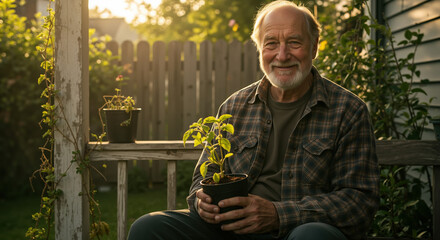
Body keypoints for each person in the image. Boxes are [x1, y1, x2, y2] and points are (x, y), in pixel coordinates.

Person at [127, 1, 379, 239]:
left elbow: (359, 201)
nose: (282, 55)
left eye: (294, 42)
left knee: (312, 236)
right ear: (259, 49)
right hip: (230, 229)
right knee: (149, 227)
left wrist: (278, 215)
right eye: (270, 43)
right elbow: (204, 177)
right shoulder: (234, 107)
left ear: (314, 47)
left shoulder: (348, 110)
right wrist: (201, 201)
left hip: (297, 230)